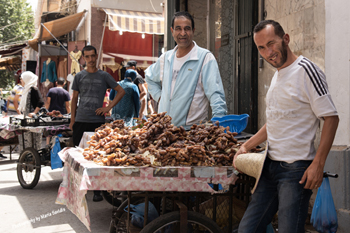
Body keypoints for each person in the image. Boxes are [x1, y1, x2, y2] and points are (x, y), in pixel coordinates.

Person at [233, 20, 339, 233]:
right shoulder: (277, 76)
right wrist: (246, 146)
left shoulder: (306, 70)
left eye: (271, 43)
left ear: (286, 39)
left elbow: (331, 117)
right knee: (247, 229)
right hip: (270, 166)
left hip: (295, 170)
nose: (268, 52)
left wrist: (318, 164)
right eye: (261, 48)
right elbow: (274, 121)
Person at [145, 11, 227, 129]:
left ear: (193, 31)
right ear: (172, 31)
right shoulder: (165, 58)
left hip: (192, 132)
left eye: (187, 29)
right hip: (164, 130)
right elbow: (149, 77)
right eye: (178, 29)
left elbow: (216, 95)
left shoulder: (205, 58)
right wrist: (160, 97)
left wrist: (219, 124)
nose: (183, 33)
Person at [70, 45, 125, 202]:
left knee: (97, 157)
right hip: (80, 120)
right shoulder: (79, 76)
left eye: (93, 56)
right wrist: (72, 120)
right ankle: (77, 188)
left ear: (97, 56)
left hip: (97, 122)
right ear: (84, 59)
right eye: (87, 57)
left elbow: (121, 91)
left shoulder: (104, 76)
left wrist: (108, 107)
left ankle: (97, 191)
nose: (91, 59)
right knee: (78, 157)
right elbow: (74, 99)